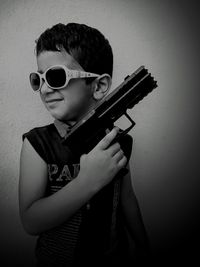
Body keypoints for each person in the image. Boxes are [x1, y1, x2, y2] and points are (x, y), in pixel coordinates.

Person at [19, 22, 149, 267]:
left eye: (56, 76)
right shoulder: (37, 144)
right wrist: (87, 182)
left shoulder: (118, 140)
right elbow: (30, 221)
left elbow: (127, 198)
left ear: (98, 86)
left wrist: (143, 247)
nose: (45, 89)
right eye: (39, 79)